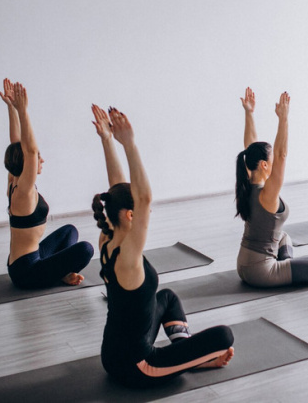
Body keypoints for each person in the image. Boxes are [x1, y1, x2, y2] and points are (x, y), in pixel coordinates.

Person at [90, 105, 233, 388]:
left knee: (166, 297)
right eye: (142, 212)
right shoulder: (129, 258)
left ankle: (185, 353)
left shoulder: (107, 237)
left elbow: (118, 189)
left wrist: (107, 140)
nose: (148, 213)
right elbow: (144, 199)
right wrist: (129, 143)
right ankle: (192, 360)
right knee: (224, 336)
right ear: (130, 215)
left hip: (113, 354)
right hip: (138, 366)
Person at [0, 79, 93, 289]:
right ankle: (61, 274)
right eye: (37, 158)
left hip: (29, 258)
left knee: (69, 231)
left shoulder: (14, 179)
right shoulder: (23, 192)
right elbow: (30, 150)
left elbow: (17, 144)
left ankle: (61, 272)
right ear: (28, 163)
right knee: (85, 249)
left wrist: (11, 108)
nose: (41, 160)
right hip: (27, 272)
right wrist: (23, 110)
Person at [235, 88, 308, 287]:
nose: (275, 161)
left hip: (243, 266)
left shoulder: (249, 181)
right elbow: (281, 155)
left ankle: (287, 265)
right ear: (264, 165)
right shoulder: (267, 194)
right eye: (270, 159)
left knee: (283, 236)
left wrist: (249, 113)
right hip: (261, 272)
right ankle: (286, 267)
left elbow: (250, 148)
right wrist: (283, 118)